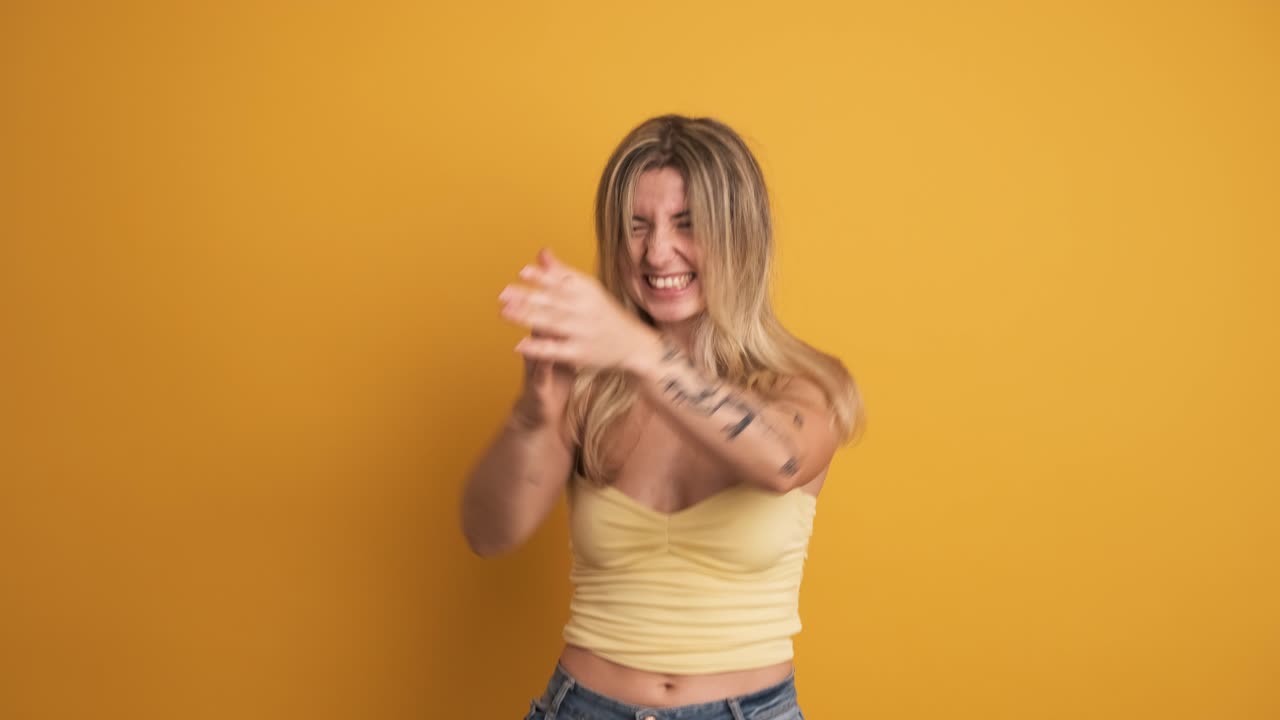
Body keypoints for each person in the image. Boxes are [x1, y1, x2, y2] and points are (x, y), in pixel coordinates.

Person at [460, 114, 865, 720]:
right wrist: (529, 419)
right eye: (635, 226)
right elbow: (488, 535)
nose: (656, 251)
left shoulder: (806, 387)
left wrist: (636, 351)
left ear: (739, 236)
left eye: (687, 225)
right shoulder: (593, 394)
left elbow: (780, 460)